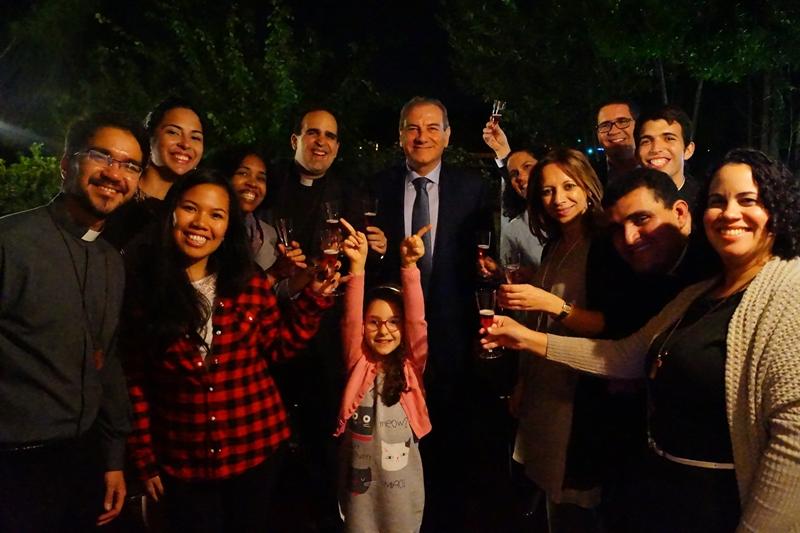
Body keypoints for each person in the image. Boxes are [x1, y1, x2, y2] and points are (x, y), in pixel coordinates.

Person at [484, 148, 800, 532]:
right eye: (717, 201)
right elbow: (626, 354)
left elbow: (792, 450)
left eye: (747, 200)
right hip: (670, 494)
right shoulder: (702, 291)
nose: (729, 213)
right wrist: (523, 338)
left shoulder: (789, 293)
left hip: (723, 501)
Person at [123, 170, 336, 532]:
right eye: (190, 208)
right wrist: (143, 458)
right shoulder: (144, 289)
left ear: (227, 227)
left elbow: (278, 348)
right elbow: (136, 382)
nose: (201, 223)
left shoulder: (248, 281)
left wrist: (313, 300)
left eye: (216, 214)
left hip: (256, 447)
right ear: (171, 213)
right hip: (183, 460)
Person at [0, 112, 148, 531]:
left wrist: (114, 458)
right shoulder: (11, 243)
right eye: (102, 156)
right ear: (67, 164)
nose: (114, 174)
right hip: (14, 465)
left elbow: (108, 360)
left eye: (130, 165)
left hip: (84, 458)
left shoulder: (110, 260)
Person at [372, 96, 489, 530]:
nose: (422, 136)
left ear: (448, 135)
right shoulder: (377, 186)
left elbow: (484, 257)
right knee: (397, 432)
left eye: (432, 127)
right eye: (412, 127)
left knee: (453, 433)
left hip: (455, 331)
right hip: (395, 332)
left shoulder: (473, 188)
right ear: (400, 134)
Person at [500, 147, 609, 532]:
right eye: (547, 191)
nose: (558, 198)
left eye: (568, 186)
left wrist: (552, 303)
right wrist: (523, 382)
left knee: (575, 504)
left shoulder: (604, 245)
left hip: (580, 394)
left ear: (588, 187)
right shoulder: (556, 243)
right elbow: (542, 319)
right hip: (545, 386)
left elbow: (609, 326)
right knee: (550, 497)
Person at [336, 219, 432, 533]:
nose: (384, 330)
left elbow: (417, 320)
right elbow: (351, 318)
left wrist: (409, 267)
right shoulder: (359, 362)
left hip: (401, 493)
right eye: (374, 322)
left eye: (393, 322)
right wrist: (357, 267)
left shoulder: (411, 366)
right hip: (360, 493)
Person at [104, 96, 205, 251]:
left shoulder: (191, 213)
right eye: (173, 132)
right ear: (149, 136)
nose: (185, 144)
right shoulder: (116, 189)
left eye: (195, 137)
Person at [636, 104, 700, 208]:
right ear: (636, 154)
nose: (656, 149)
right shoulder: (626, 204)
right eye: (646, 141)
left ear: (688, 150)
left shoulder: (703, 202)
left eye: (669, 138)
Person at [595, 99, 640, 182]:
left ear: (638, 125)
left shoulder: (659, 168)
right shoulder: (589, 177)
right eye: (605, 125)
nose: (613, 131)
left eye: (622, 122)